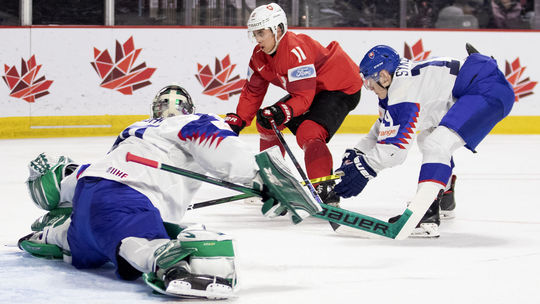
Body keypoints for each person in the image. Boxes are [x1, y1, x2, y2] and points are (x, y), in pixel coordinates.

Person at [17, 84, 320, 299]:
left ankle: (50, 235)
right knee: (135, 240)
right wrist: (261, 178)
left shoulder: (135, 130)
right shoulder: (193, 122)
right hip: (127, 197)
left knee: (87, 234)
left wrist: (58, 189)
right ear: (188, 109)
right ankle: (167, 261)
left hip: (91, 196)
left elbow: (82, 178)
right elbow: (218, 145)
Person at [333, 44, 515, 238]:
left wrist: (364, 169)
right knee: (427, 137)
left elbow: (394, 151)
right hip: (479, 85)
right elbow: (382, 129)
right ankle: (443, 196)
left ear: (384, 76)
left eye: (370, 83)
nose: (369, 88)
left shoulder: (402, 90)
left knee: (436, 144)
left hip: (486, 89)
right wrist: (357, 154)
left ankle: (425, 215)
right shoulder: (397, 83)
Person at [223, 3, 363, 207]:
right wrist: (240, 120)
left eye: (261, 33)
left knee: (309, 131)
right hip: (312, 89)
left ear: (278, 30)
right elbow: (253, 91)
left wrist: (284, 111)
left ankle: (324, 188)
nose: (258, 39)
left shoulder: (296, 50)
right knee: (266, 122)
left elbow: (304, 97)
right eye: (255, 34)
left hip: (340, 85)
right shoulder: (258, 56)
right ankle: (272, 178)